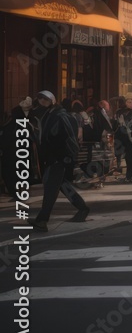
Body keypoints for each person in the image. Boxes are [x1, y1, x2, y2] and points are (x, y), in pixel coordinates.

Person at [27, 91, 89, 231]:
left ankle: (42, 220)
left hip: (58, 158)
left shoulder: (59, 116)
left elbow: (67, 139)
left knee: (50, 189)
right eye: (41, 100)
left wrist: (65, 157)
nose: (42, 103)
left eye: (45, 100)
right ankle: (83, 209)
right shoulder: (49, 115)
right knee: (62, 186)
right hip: (53, 158)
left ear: (52, 101)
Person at [1, 98, 34, 198]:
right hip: (23, 153)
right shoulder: (26, 123)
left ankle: (14, 191)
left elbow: (6, 139)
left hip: (11, 153)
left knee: (10, 172)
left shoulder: (11, 124)